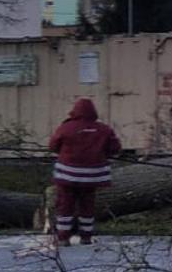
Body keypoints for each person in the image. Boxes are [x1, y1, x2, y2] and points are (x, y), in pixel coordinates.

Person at [46, 97, 121, 246]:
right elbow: (115, 148)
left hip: (67, 175)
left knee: (65, 205)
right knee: (87, 205)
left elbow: (53, 146)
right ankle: (86, 237)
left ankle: (62, 238)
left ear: (74, 111)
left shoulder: (65, 128)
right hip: (92, 176)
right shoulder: (104, 129)